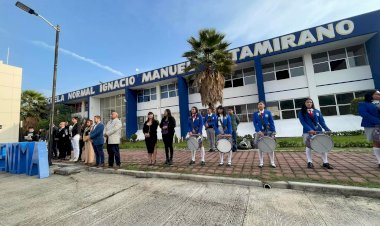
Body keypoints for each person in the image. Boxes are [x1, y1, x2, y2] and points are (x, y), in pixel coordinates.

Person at [298, 98, 333, 169]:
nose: (309, 103)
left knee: (322, 145)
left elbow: (322, 122)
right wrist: (310, 129)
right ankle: (309, 162)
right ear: (304, 103)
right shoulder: (301, 112)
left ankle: (325, 162)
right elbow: (303, 123)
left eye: (310, 102)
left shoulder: (317, 111)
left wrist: (327, 129)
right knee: (308, 146)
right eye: (307, 102)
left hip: (318, 131)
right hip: (307, 132)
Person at [358, 90, 380, 168]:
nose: (379, 95)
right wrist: (378, 121)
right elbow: (364, 114)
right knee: (377, 142)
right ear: (371, 95)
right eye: (377, 94)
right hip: (371, 126)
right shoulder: (363, 104)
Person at [253, 101, 276, 168]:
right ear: (257, 106)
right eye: (258, 104)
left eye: (261, 104)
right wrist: (258, 131)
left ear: (264, 105)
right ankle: (261, 162)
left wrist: (273, 131)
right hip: (259, 132)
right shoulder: (255, 114)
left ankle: (272, 162)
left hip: (268, 131)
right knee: (260, 147)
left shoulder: (268, 113)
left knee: (270, 146)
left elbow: (271, 122)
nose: (260, 105)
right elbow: (254, 123)